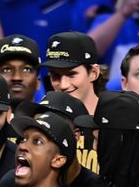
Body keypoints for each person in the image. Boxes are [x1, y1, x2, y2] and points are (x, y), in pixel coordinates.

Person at [40, 31, 101, 173]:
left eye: (71, 74)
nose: (63, 85)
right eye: (55, 76)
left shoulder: (114, 120)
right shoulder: (40, 120)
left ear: (94, 73)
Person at [0, 34, 42, 107]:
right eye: (7, 70)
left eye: (26, 69)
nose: (16, 77)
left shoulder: (53, 115)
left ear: (38, 82)